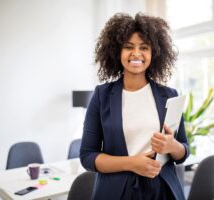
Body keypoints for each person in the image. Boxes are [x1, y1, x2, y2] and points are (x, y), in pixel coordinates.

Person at [80, 12, 190, 200]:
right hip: (116, 191)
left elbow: (183, 152)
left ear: (154, 52)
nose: (136, 53)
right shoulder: (101, 95)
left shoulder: (169, 95)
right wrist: (131, 163)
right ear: (117, 52)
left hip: (162, 190)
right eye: (128, 47)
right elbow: (88, 156)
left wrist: (173, 146)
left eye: (144, 47)